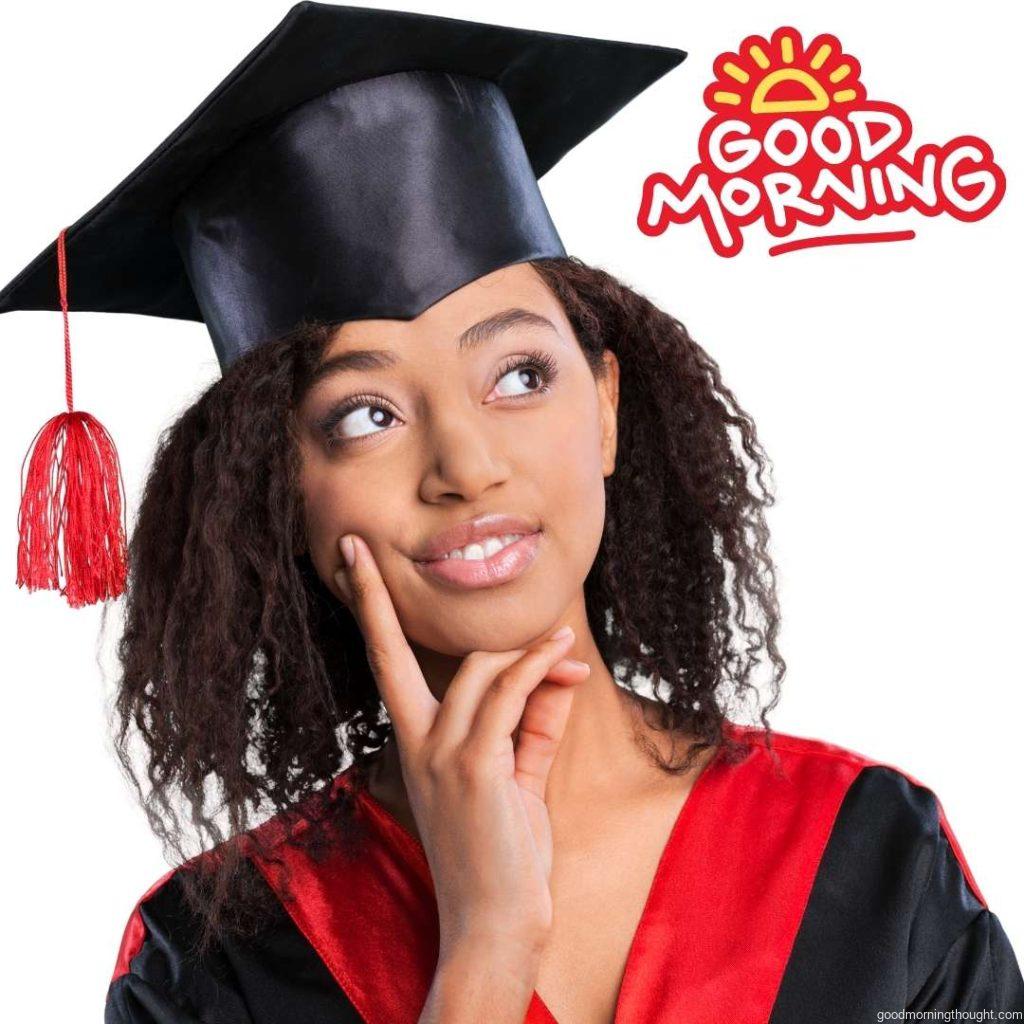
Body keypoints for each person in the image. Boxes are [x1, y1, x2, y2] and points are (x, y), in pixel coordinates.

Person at [2, 5, 1021, 1023]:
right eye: (366, 413)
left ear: (608, 408)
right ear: (280, 494)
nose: (466, 465)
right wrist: (485, 943)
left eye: (520, 375)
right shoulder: (217, 965)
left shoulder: (870, 862)